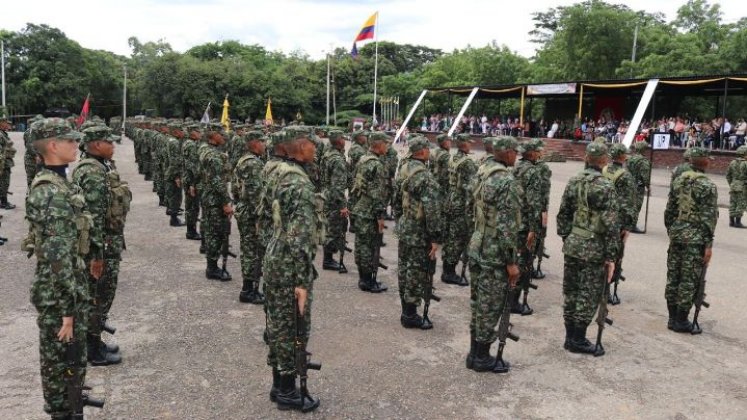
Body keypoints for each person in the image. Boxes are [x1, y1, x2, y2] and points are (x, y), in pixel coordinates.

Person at [23, 118, 104, 419]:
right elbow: (58, 258)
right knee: (60, 366)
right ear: (54, 146)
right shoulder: (51, 193)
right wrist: (68, 312)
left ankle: (70, 405)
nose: (76, 145)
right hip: (60, 295)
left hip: (67, 285)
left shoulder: (60, 181)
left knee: (71, 363)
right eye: (70, 141)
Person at [263, 127, 321, 412]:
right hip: (290, 263)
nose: (315, 147)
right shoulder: (298, 183)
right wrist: (301, 281)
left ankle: (279, 384)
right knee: (292, 326)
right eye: (311, 143)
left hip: (276, 256)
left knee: (278, 324)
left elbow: (265, 215)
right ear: (298, 146)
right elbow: (300, 236)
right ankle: (287, 391)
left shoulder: (275, 169)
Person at [72, 126, 132, 365]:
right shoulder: (93, 173)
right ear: (96, 144)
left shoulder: (98, 166)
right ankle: (92, 349)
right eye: (109, 142)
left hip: (106, 242)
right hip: (101, 246)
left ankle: (93, 340)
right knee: (98, 295)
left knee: (99, 295)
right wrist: (97, 256)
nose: (114, 145)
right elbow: (94, 219)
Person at [557, 142, 619, 355]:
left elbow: (563, 213)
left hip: (573, 244)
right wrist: (612, 257)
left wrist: (568, 237)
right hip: (594, 247)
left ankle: (569, 336)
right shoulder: (606, 186)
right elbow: (611, 225)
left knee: (571, 290)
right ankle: (578, 339)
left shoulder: (574, 181)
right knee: (588, 292)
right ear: (602, 161)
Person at [465, 136, 522, 373]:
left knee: (478, 301)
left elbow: (472, 207)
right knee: (490, 304)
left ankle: (474, 353)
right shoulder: (506, 181)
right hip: (494, 250)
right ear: (507, 153)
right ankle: (481, 358)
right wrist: (511, 261)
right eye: (514, 152)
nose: (516, 156)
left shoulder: (482, 171)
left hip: (478, 243)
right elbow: (508, 226)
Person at [664, 147, 718, 332]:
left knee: (674, 276)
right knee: (688, 279)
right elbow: (709, 219)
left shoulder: (679, 180)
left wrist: (673, 230)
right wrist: (708, 245)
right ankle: (681, 320)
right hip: (695, 239)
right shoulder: (708, 185)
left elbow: (669, 210)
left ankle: (672, 318)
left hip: (677, 234)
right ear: (704, 162)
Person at [393, 136, 443, 329]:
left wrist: (400, 219)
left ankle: (406, 309)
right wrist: (435, 237)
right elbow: (432, 211)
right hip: (419, 231)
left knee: (404, 269)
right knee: (416, 271)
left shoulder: (404, 169)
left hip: (406, 226)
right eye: (427, 149)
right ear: (422, 152)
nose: (429, 152)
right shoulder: (425, 176)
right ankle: (410, 315)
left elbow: (396, 197)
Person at [511, 139, 549, 315]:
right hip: (525, 224)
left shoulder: (515, 168)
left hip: (512, 221)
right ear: (532, 153)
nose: (540, 154)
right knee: (524, 262)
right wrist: (534, 229)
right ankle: (513, 301)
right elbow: (534, 203)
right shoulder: (533, 172)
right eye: (538, 151)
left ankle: (507, 296)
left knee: (512, 258)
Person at [350, 132, 390, 293]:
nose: (387, 146)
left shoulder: (363, 159)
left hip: (360, 208)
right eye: (385, 143)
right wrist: (380, 215)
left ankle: (363, 278)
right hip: (369, 212)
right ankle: (367, 281)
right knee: (368, 247)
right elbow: (378, 193)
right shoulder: (377, 165)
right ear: (378, 145)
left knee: (361, 245)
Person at [235, 131, 267, 304]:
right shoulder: (253, 164)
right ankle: (248, 290)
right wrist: (261, 218)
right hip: (251, 214)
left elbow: (236, 188)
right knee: (252, 252)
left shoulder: (245, 160)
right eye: (262, 142)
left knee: (250, 250)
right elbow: (256, 196)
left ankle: (250, 287)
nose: (264, 145)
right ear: (254, 143)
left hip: (245, 210)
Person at [602, 144, 636, 303]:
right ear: (622, 157)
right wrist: (627, 227)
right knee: (614, 256)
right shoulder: (625, 176)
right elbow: (627, 205)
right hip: (615, 222)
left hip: (601, 220)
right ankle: (607, 291)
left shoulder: (603, 170)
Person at [199, 124, 234, 281]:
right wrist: (225, 202)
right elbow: (217, 182)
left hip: (208, 197)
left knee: (211, 230)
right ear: (213, 136)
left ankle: (211, 264)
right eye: (221, 134)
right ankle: (212, 268)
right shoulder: (213, 156)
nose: (224, 137)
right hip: (215, 199)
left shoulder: (205, 149)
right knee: (216, 233)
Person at [441, 133, 476, 287]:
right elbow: (470, 189)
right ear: (464, 144)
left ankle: (447, 269)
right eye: (469, 143)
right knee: (458, 239)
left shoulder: (453, 158)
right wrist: (471, 210)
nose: (471, 145)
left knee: (450, 237)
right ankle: (449, 273)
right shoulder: (467, 162)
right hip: (460, 204)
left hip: (451, 199)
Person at [320, 130, 349, 272]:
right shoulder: (336, 159)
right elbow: (338, 185)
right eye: (343, 138)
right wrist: (343, 205)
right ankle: (328, 260)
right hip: (334, 199)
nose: (344, 140)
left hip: (327, 195)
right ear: (339, 141)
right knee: (333, 229)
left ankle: (328, 258)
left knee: (329, 227)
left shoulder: (328, 154)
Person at [182, 124, 203, 240]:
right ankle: (191, 231)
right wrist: (192, 184)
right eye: (197, 131)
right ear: (192, 133)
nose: (200, 133)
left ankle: (191, 229)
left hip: (188, 178)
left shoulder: (187, 143)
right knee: (192, 207)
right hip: (191, 180)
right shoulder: (191, 145)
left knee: (190, 206)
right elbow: (192, 166)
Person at [627, 141, 651, 233]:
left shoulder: (630, 158)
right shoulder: (643, 161)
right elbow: (645, 175)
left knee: (629, 204)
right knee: (636, 206)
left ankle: (627, 223)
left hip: (629, 184)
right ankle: (632, 225)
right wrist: (648, 186)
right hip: (638, 186)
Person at [726, 146, 747, 228]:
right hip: (743, 186)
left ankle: (731, 221)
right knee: (740, 204)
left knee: (733, 203)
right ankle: (738, 222)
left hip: (733, 185)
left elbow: (728, 175)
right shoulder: (745, 163)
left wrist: (732, 183)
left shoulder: (732, 162)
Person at [0, 117, 17, 209]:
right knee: (4, 182)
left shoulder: (3, 134)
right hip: (3, 163)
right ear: (1, 123)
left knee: (3, 182)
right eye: (6, 123)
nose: (8, 125)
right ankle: (4, 202)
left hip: (5, 162)